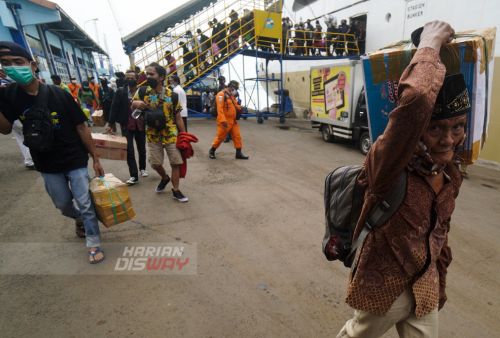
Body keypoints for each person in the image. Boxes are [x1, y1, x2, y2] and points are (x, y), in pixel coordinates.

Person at [333, 21, 464, 338]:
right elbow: (417, 99)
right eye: (435, 129)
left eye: (457, 127)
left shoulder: (450, 175)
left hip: (426, 288)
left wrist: (440, 283)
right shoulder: (387, 165)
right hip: (383, 291)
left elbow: (439, 237)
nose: (448, 139)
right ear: (417, 129)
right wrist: (430, 42)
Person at [0, 41, 105, 264]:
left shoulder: (60, 94)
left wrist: (95, 158)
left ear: (33, 65)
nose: (12, 67)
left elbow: (81, 127)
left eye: (18, 62)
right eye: (6, 64)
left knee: (85, 202)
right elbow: (5, 128)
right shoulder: (8, 95)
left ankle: (93, 241)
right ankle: (78, 220)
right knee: (63, 205)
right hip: (45, 161)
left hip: (73, 157)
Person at [131, 62, 188, 201]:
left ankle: (176, 190)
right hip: (152, 134)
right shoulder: (142, 92)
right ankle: (164, 178)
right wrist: (134, 103)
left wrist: (185, 136)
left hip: (170, 134)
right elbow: (134, 108)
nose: (147, 76)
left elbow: (178, 117)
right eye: (147, 74)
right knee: (156, 164)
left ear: (161, 77)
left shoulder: (172, 95)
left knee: (175, 163)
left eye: (151, 74)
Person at [106, 70, 147, 185]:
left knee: (142, 149)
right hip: (126, 124)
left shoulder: (142, 92)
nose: (129, 80)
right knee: (129, 151)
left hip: (140, 124)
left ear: (137, 80)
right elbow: (115, 108)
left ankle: (143, 168)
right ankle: (134, 175)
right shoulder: (121, 92)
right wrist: (111, 124)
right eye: (127, 78)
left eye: (132, 78)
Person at [209, 80, 248, 160]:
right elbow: (220, 109)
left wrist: (239, 107)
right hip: (225, 121)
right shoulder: (221, 95)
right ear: (231, 87)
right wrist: (223, 120)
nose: (236, 91)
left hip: (233, 121)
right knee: (220, 137)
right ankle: (212, 150)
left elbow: (234, 105)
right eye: (235, 88)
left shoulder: (230, 96)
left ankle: (238, 153)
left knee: (237, 136)